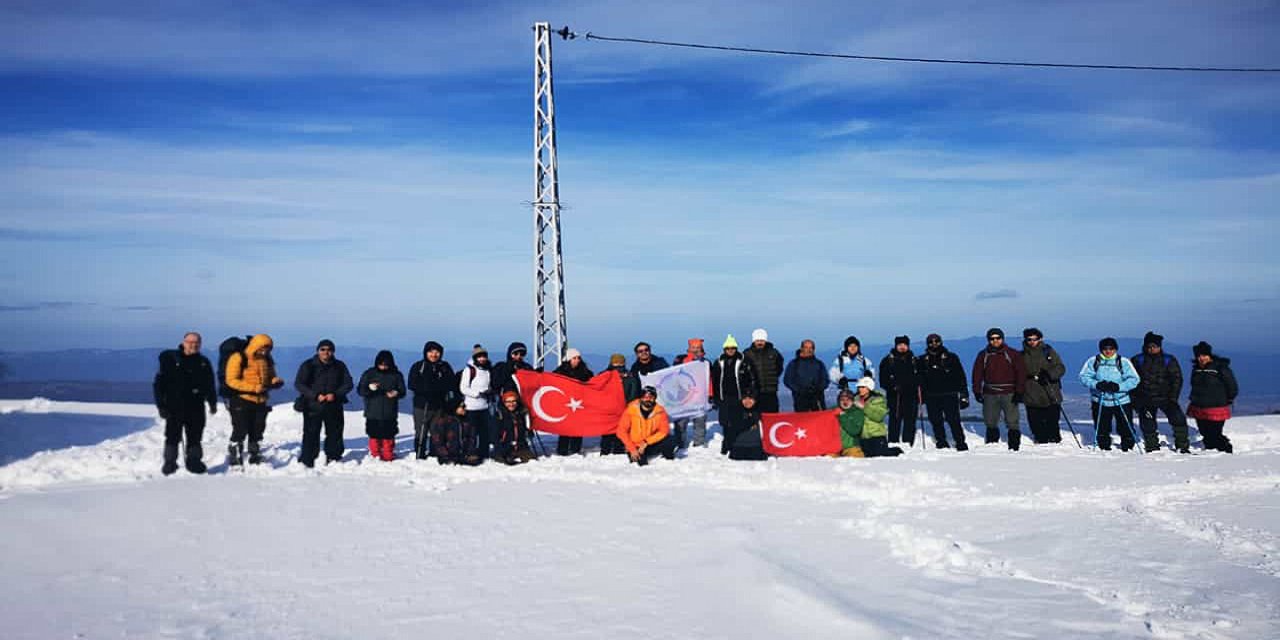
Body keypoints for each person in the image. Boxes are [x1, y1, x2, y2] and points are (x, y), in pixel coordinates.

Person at [153, 332, 217, 475]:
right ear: (184, 342)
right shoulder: (170, 360)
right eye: (190, 342)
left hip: (196, 405)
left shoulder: (203, 362)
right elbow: (158, 384)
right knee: (172, 434)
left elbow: (209, 384)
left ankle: (194, 461)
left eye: (197, 342)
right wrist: (161, 405)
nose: (194, 345)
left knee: (195, 434)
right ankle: (170, 463)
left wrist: (212, 402)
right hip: (174, 405)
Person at [223, 334, 284, 465]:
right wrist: (253, 388)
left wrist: (275, 381)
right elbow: (231, 380)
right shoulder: (238, 357)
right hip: (241, 398)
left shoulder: (266, 359)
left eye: (268, 348)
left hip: (261, 400)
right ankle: (234, 452)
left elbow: (271, 376)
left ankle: (254, 453)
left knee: (257, 428)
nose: (265, 351)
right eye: (263, 347)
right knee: (240, 427)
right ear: (256, 345)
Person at [293, 339, 354, 467]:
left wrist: (336, 394)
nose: (326, 352)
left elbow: (348, 383)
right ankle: (307, 459)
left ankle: (334, 457)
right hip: (312, 406)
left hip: (334, 405)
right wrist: (315, 395)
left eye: (329, 350)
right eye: (323, 349)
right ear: (318, 351)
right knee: (311, 433)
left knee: (335, 433)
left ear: (333, 352)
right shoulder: (308, 365)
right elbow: (299, 384)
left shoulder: (339, 366)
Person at [1131, 332, 1190, 453]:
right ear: (1145, 346)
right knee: (1148, 423)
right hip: (1145, 398)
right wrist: (1136, 400)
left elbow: (1177, 379)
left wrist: (1173, 398)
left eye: (1155, 346)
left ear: (1160, 346)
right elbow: (1132, 380)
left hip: (1166, 398)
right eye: (1150, 346)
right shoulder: (1138, 360)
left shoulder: (1168, 360)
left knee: (1178, 419)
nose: (1152, 349)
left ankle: (1182, 446)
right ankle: (1152, 447)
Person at [1079, 337, 1141, 452]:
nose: (1108, 351)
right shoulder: (1094, 361)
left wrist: (1119, 387)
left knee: (1125, 425)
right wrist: (1097, 384)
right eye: (1105, 348)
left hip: (1121, 399)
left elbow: (1134, 379)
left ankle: (1128, 446)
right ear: (1101, 349)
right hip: (1100, 399)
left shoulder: (1123, 362)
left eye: (1111, 348)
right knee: (1102, 426)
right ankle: (1103, 446)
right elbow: (1084, 377)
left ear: (1115, 349)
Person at [972, 328, 1026, 450]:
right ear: (988, 340)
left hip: (1009, 393)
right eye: (992, 338)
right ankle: (992, 445)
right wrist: (977, 390)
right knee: (990, 421)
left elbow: (1021, 373)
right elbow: (977, 373)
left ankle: (1014, 446)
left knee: (1012, 421)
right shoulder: (983, 355)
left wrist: (1019, 392)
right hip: (990, 392)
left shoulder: (1012, 354)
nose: (995, 341)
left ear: (1002, 338)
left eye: (998, 338)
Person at [916, 334, 969, 450]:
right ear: (927, 344)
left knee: (954, 420)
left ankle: (960, 442)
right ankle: (941, 442)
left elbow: (960, 376)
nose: (934, 344)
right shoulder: (922, 360)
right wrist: (921, 394)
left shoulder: (951, 357)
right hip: (931, 396)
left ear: (941, 342)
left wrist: (964, 394)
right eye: (931, 342)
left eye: (937, 341)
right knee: (935, 420)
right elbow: (918, 379)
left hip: (949, 394)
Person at [408, 341, 457, 459]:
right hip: (422, 405)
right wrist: (428, 389)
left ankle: (435, 453)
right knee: (421, 431)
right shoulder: (419, 366)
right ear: (426, 352)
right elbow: (412, 384)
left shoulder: (444, 367)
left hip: (439, 405)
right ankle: (420, 454)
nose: (434, 355)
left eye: (437, 352)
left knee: (438, 431)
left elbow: (451, 384)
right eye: (431, 352)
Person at [1187, 341, 1238, 453]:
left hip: (1217, 407)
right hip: (1199, 407)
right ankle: (1212, 454)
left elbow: (1232, 386)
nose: (1201, 358)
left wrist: (1229, 399)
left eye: (1204, 355)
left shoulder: (1220, 368)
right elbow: (1193, 385)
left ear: (1209, 355)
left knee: (1214, 433)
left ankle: (1226, 450)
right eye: (1199, 356)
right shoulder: (1196, 370)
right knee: (1205, 433)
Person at [711, 334, 758, 455]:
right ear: (724, 349)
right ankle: (726, 443)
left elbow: (752, 379)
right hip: (723, 397)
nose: (730, 350)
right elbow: (714, 380)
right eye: (728, 348)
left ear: (736, 348)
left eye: (733, 348)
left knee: (738, 421)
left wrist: (749, 395)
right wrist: (714, 397)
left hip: (739, 397)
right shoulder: (718, 362)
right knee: (725, 421)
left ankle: (737, 443)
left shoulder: (744, 361)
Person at [1021, 328, 1067, 445]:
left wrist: (1049, 374)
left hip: (1050, 391)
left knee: (1052, 421)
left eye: (1034, 339)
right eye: (1029, 339)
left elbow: (1060, 368)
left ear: (1040, 339)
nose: (1032, 342)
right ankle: (1040, 441)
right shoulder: (1022, 355)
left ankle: (1055, 442)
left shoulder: (1049, 352)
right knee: (1035, 422)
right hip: (1031, 392)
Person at [358, 350, 406, 462]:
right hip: (372, 411)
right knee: (374, 434)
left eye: (386, 365)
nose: (383, 367)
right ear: (377, 363)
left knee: (389, 434)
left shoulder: (396, 375)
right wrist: (370, 388)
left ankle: (388, 454)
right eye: (381, 364)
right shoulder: (369, 374)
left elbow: (403, 391)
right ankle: (375, 455)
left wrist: (396, 393)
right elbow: (361, 390)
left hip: (390, 412)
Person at [617, 386, 677, 466]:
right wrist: (632, 449)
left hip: (650, 443)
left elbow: (664, 431)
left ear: (655, 398)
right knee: (641, 465)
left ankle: (669, 461)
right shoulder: (631, 410)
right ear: (641, 398)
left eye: (651, 397)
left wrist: (646, 442)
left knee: (670, 440)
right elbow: (621, 431)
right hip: (635, 445)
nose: (648, 399)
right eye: (645, 397)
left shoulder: (660, 411)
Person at [879, 336, 921, 444]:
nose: (902, 347)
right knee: (894, 420)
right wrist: (892, 386)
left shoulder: (914, 360)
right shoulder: (888, 361)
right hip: (895, 396)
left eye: (905, 345)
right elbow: (883, 380)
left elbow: (921, 378)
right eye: (900, 345)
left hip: (911, 396)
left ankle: (908, 442)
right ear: (896, 345)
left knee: (910, 421)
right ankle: (893, 442)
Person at [552, 347, 594, 455]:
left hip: (579, 404)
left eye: (578, 358)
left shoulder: (585, 372)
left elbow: (592, 384)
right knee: (565, 428)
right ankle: (562, 450)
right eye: (574, 358)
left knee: (578, 427)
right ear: (569, 359)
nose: (577, 360)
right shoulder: (560, 372)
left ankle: (576, 450)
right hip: (565, 404)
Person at [672, 339, 711, 447]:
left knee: (700, 421)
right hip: (683, 397)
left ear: (701, 349)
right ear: (689, 348)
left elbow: (710, 379)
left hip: (700, 397)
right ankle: (679, 443)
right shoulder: (681, 360)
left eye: (698, 348)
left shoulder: (706, 362)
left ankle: (699, 442)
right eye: (693, 347)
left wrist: (710, 394)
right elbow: (672, 375)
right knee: (681, 421)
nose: (695, 350)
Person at [458, 344, 494, 461]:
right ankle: (469, 453)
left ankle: (484, 452)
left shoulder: (488, 370)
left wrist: (489, 392)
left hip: (484, 406)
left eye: (484, 357)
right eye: (479, 357)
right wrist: (478, 393)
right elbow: (463, 388)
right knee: (470, 433)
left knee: (484, 432)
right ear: (475, 358)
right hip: (471, 407)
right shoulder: (469, 370)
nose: (482, 359)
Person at [850, 377, 901, 457]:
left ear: (869, 387)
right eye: (859, 387)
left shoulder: (879, 399)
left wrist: (864, 407)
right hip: (862, 437)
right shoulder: (855, 400)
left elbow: (878, 416)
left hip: (876, 436)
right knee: (864, 455)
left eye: (863, 387)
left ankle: (896, 451)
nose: (860, 389)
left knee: (879, 454)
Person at [601, 353, 640, 455]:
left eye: (620, 362)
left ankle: (609, 451)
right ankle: (608, 450)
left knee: (619, 430)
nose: (618, 365)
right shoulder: (604, 376)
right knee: (611, 432)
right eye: (616, 362)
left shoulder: (629, 376)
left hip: (619, 409)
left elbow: (633, 393)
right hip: (611, 409)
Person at [430, 399, 482, 466]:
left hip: (463, 454)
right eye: (462, 407)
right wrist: (445, 455)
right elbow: (438, 441)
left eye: (465, 406)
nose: (465, 408)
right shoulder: (444, 421)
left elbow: (471, 438)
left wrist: (470, 452)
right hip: (448, 454)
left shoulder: (467, 420)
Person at [743, 328, 784, 413]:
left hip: (771, 392)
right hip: (753, 393)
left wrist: (772, 378)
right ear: (754, 341)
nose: (760, 343)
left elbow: (779, 368)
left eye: (762, 340)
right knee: (755, 417)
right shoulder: (747, 354)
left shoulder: (774, 353)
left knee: (772, 417)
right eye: (757, 340)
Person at [493, 391, 537, 465]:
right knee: (504, 461)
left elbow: (528, 428)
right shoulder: (500, 415)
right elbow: (495, 435)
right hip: (505, 446)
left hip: (520, 445)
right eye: (508, 402)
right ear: (504, 402)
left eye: (514, 401)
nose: (511, 404)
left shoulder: (522, 413)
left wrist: (529, 432)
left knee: (531, 460)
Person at [783, 339, 827, 412]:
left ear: (814, 350)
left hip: (817, 398)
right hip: (800, 399)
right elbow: (788, 380)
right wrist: (799, 390)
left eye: (811, 348)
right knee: (802, 420)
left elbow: (825, 379)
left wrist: (818, 389)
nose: (809, 350)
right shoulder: (794, 364)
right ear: (801, 348)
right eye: (806, 347)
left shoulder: (819, 364)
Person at [833, 389, 865, 457]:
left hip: (851, 447)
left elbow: (855, 431)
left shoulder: (857, 412)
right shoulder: (833, 411)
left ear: (852, 401)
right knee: (827, 459)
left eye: (848, 399)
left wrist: (843, 416)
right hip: (834, 447)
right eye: (842, 400)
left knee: (855, 460)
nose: (845, 402)